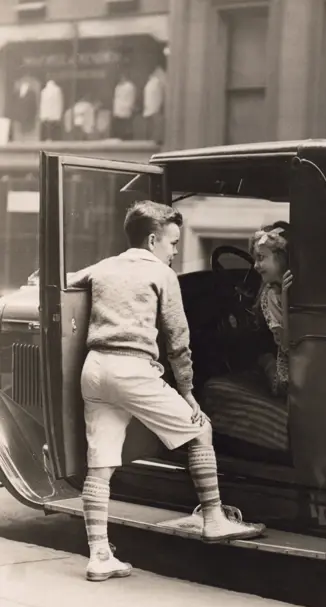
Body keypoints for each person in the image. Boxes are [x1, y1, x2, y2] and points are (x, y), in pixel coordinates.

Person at [68, 200, 265, 582]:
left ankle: (99, 556)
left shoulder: (105, 266)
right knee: (200, 429)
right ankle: (213, 518)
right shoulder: (161, 274)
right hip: (133, 369)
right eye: (173, 243)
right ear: (153, 238)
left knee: (101, 464)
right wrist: (189, 394)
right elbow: (178, 341)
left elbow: (69, 281)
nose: (175, 252)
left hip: (95, 369)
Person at [249, 221, 293, 397]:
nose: (255, 266)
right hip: (295, 372)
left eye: (261, 258)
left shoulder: (273, 295)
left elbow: (287, 345)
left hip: (288, 380)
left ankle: (265, 361)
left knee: (265, 357)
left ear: (282, 258)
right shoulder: (273, 293)